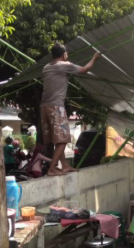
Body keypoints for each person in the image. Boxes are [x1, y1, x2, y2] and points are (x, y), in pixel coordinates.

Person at [41, 43, 101, 176]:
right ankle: (52, 169)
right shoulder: (64, 65)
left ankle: (65, 165)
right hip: (56, 107)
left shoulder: (46, 67)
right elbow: (85, 69)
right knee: (63, 140)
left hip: (44, 107)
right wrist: (94, 58)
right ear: (64, 54)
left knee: (57, 140)